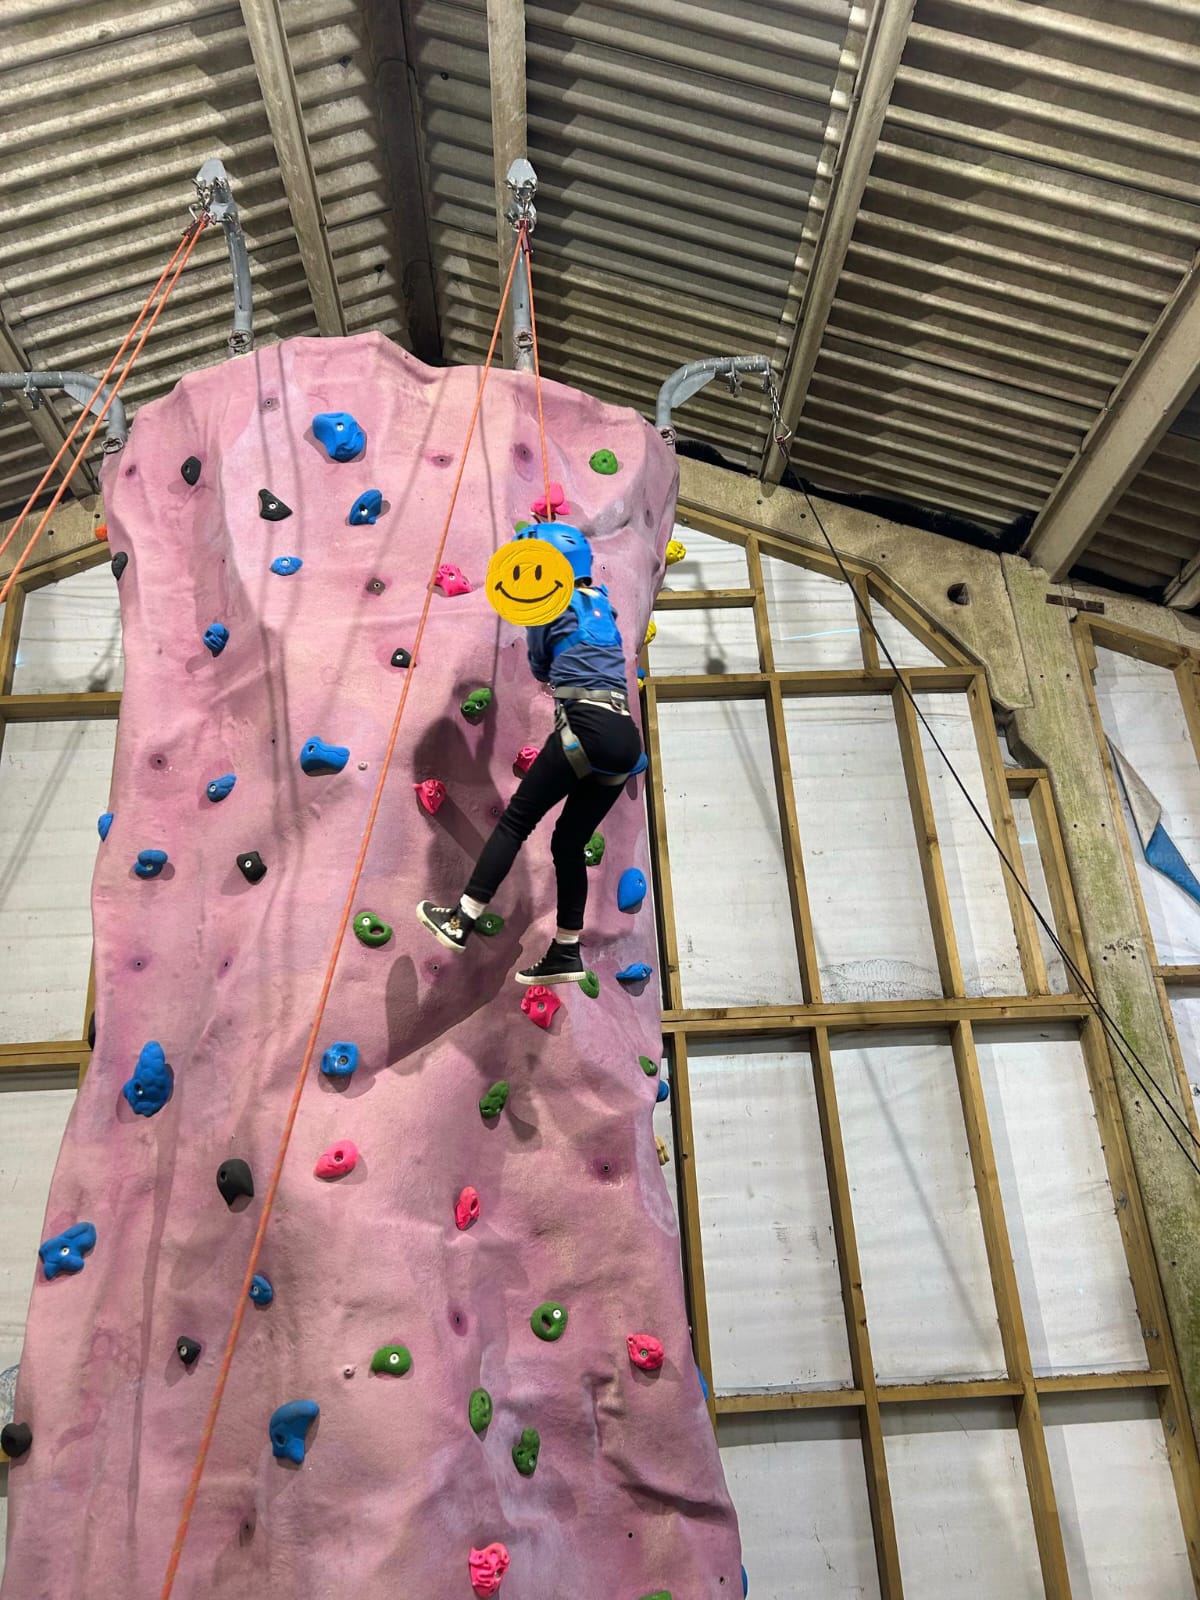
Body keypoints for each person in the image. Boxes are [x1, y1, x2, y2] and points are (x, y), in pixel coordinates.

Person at [417, 523, 645, 984]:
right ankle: (565, 950)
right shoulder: (603, 605)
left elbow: (540, 666)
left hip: (585, 725)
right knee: (568, 842)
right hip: (623, 735)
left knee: (517, 822)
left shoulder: (551, 606)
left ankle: (462, 918)